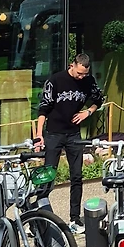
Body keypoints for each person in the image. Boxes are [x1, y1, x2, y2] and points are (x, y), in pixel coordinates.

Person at [34, 53, 104, 234]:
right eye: (79, 73)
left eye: (85, 74)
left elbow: (98, 99)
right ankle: (38, 218)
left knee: (77, 176)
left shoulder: (88, 81)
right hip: (53, 133)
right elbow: (43, 108)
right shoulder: (55, 80)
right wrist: (39, 134)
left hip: (73, 134)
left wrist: (88, 112)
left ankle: (75, 218)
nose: (81, 77)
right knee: (47, 176)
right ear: (72, 65)